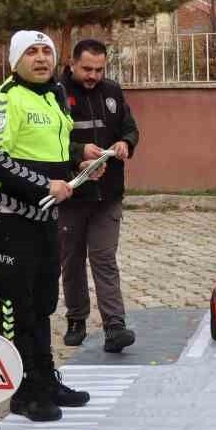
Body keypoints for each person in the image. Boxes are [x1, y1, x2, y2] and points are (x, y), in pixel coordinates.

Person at [0, 30, 93, 423]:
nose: (41, 58)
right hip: (9, 221)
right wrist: (45, 185)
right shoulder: (3, 99)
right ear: (15, 60)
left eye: (46, 51)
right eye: (31, 52)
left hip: (45, 218)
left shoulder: (54, 95)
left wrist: (79, 162)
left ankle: (44, 379)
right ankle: (22, 391)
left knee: (43, 303)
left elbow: (48, 151)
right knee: (16, 306)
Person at [59, 38, 141, 353]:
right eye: (87, 69)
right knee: (72, 259)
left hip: (108, 194)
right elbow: (49, 142)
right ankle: (76, 318)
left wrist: (125, 143)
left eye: (99, 69)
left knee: (104, 258)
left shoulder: (113, 91)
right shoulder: (57, 94)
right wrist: (78, 152)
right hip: (71, 193)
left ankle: (114, 325)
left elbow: (131, 129)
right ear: (72, 63)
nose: (93, 75)